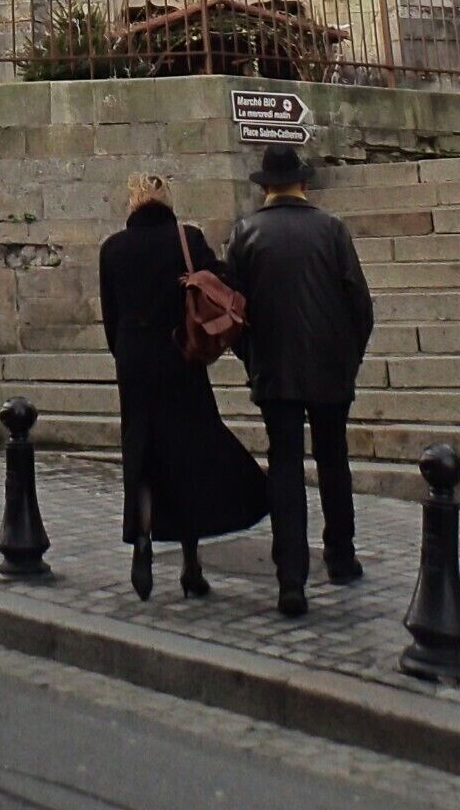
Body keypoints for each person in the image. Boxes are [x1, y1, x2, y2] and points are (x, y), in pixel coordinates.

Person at [98, 171, 268, 599]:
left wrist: (129, 354)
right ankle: (191, 565)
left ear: (132, 203)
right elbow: (219, 283)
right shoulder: (186, 239)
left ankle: (141, 538)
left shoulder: (113, 249)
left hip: (134, 359)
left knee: (142, 451)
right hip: (179, 354)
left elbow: (110, 318)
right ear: (167, 201)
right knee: (188, 453)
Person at [223, 143, 374, 616]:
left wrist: (253, 360)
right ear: (303, 183)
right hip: (330, 368)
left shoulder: (245, 233)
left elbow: (234, 312)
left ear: (266, 186)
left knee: (284, 467)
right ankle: (341, 555)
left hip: (275, 369)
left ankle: (291, 578)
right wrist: (348, 359)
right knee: (333, 459)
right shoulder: (332, 229)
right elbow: (361, 306)